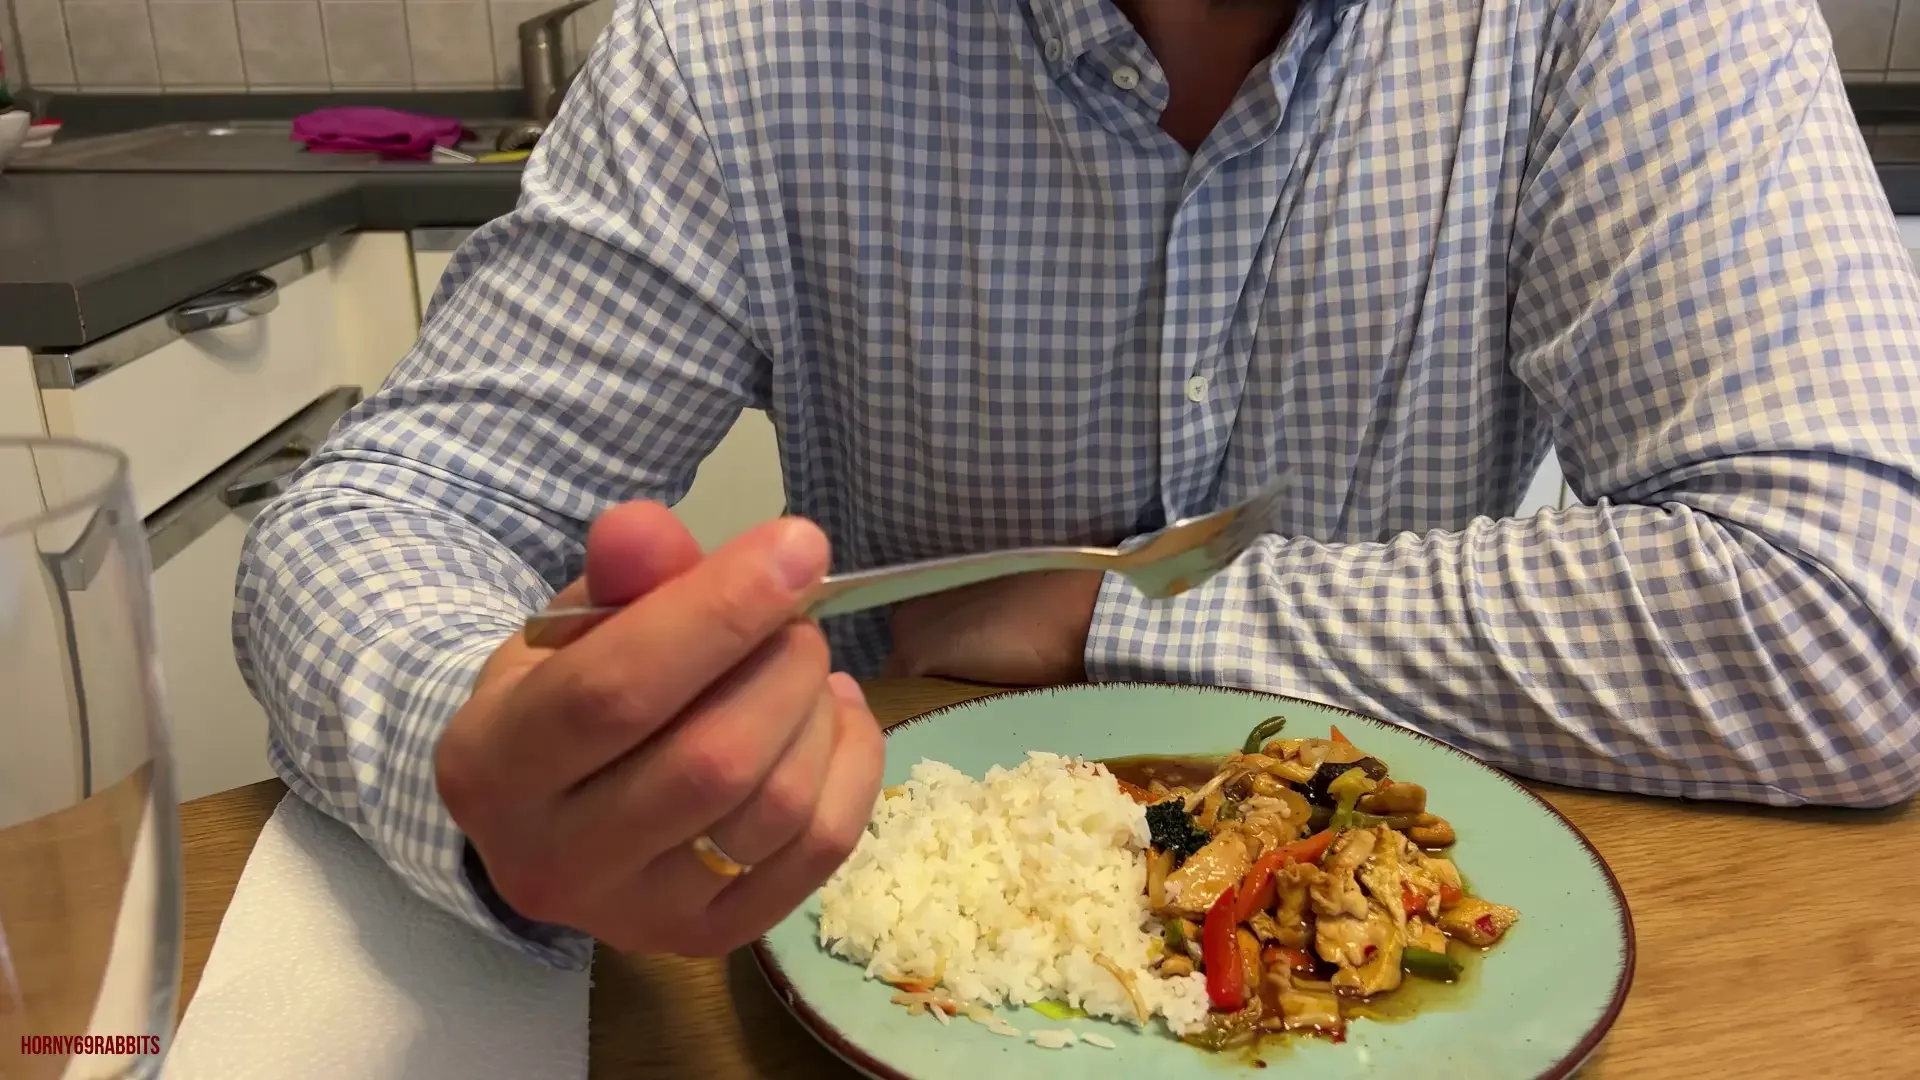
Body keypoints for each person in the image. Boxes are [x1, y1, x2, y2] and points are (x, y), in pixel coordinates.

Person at [234, 0, 1920, 971]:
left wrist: (1100, 615)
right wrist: (484, 752)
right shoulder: (738, 45)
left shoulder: (1621, 25)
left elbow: (1853, 605)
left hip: (1421, 961)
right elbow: (388, 512)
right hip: (906, 957)